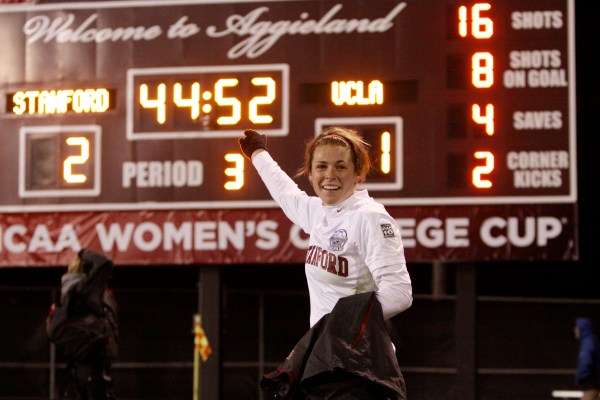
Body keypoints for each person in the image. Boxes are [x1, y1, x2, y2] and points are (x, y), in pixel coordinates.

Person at [238, 127, 413, 399]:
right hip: (327, 362)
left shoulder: (370, 218)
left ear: (358, 174)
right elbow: (286, 194)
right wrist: (258, 154)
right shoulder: (320, 212)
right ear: (310, 172)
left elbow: (399, 293)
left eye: (340, 166)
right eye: (321, 166)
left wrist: (334, 326)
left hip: (358, 366)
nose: (330, 175)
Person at [47, 248, 119, 400]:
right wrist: (83, 252)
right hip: (92, 368)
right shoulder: (83, 291)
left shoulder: (72, 296)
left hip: (83, 368)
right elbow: (105, 263)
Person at [574, 317, 600, 400]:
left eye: (577, 327)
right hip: (593, 382)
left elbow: (586, 361)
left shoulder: (588, 342)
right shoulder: (591, 340)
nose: (575, 330)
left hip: (590, 382)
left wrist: (582, 376)